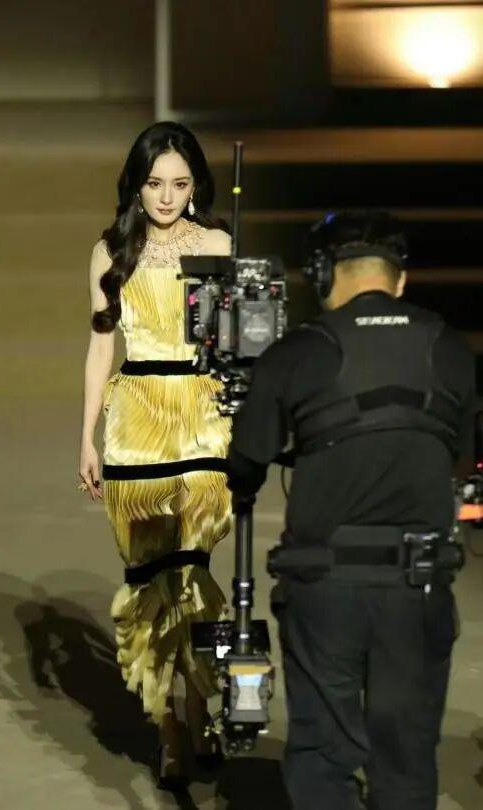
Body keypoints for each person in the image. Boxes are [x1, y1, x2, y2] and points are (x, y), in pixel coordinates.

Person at [227, 211, 476, 810]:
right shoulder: (450, 348)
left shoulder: (298, 350)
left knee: (323, 756)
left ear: (323, 274)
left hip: (325, 588)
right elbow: (460, 460)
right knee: (406, 760)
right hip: (416, 587)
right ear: (400, 279)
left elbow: (245, 466)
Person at [78, 121, 232, 790]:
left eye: (179, 184)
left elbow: (229, 340)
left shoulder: (217, 244)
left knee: (195, 571)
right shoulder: (111, 250)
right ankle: (167, 725)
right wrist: (85, 435)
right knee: (149, 579)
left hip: (202, 419)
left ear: (195, 187)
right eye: (154, 183)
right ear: (136, 187)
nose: (166, 197)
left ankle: (201, 708)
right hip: (136, 421)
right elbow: (100, 345)